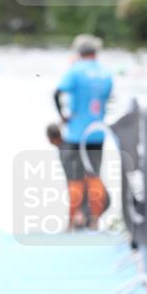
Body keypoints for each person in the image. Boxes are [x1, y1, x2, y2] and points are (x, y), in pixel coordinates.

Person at [53, 34, 113, 230]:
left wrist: (62, 115)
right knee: (94, 175)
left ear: (79, 51)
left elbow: (57, 92)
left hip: (76, 133)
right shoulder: (106, 73)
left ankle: (73, 220)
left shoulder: (75, 71)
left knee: (75, 178)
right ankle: (94, 220)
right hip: (97, 133)